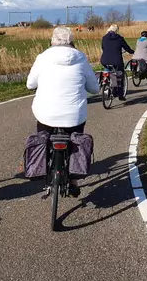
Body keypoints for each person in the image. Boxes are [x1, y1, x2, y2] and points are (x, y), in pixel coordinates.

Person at [26, 27, 100, 196]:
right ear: (71, 41)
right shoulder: (81, 58)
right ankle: (73, 179)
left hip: (45, 114)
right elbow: (94, 89)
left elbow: (30, 84)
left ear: (52, 41)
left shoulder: (42, 58)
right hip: (74, 116)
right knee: (75, 139)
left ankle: (42, 168)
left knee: (43, 137)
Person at [100, 25, 134, 101]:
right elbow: (126, 48)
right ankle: (120, 95)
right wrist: (132, 52)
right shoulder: (120, 38)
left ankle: (106, 81)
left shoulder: (104, 38)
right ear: (116, 30)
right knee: (119, 76)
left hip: (105, 60)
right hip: (117, 61)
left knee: (108, 70)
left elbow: (103, 47)